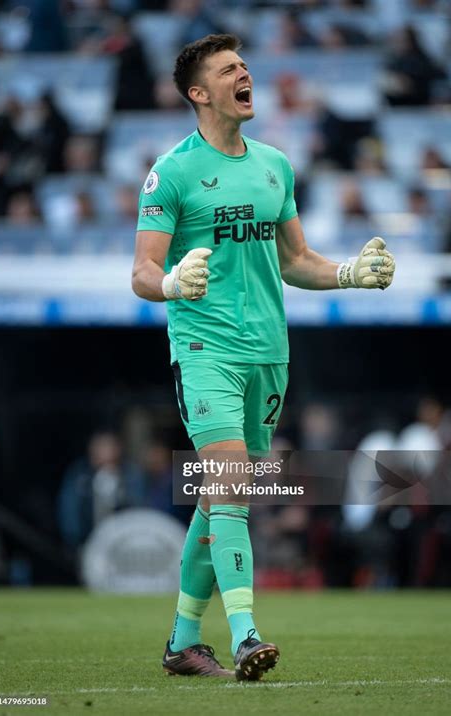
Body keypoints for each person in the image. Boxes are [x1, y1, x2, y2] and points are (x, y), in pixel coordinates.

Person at [132, 33, 395, 681]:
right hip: (205, 350)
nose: (244, 74)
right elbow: (142, 271)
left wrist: (350, 275)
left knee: (220, 498)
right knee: (229, 487)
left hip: (269, 355)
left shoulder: (276, 164)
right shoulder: (173, 172)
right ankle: (247, 635)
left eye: (245, 65)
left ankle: (182, 644)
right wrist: (170, 285)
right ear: (200, 93)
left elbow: (296, 260)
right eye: (228, 69)